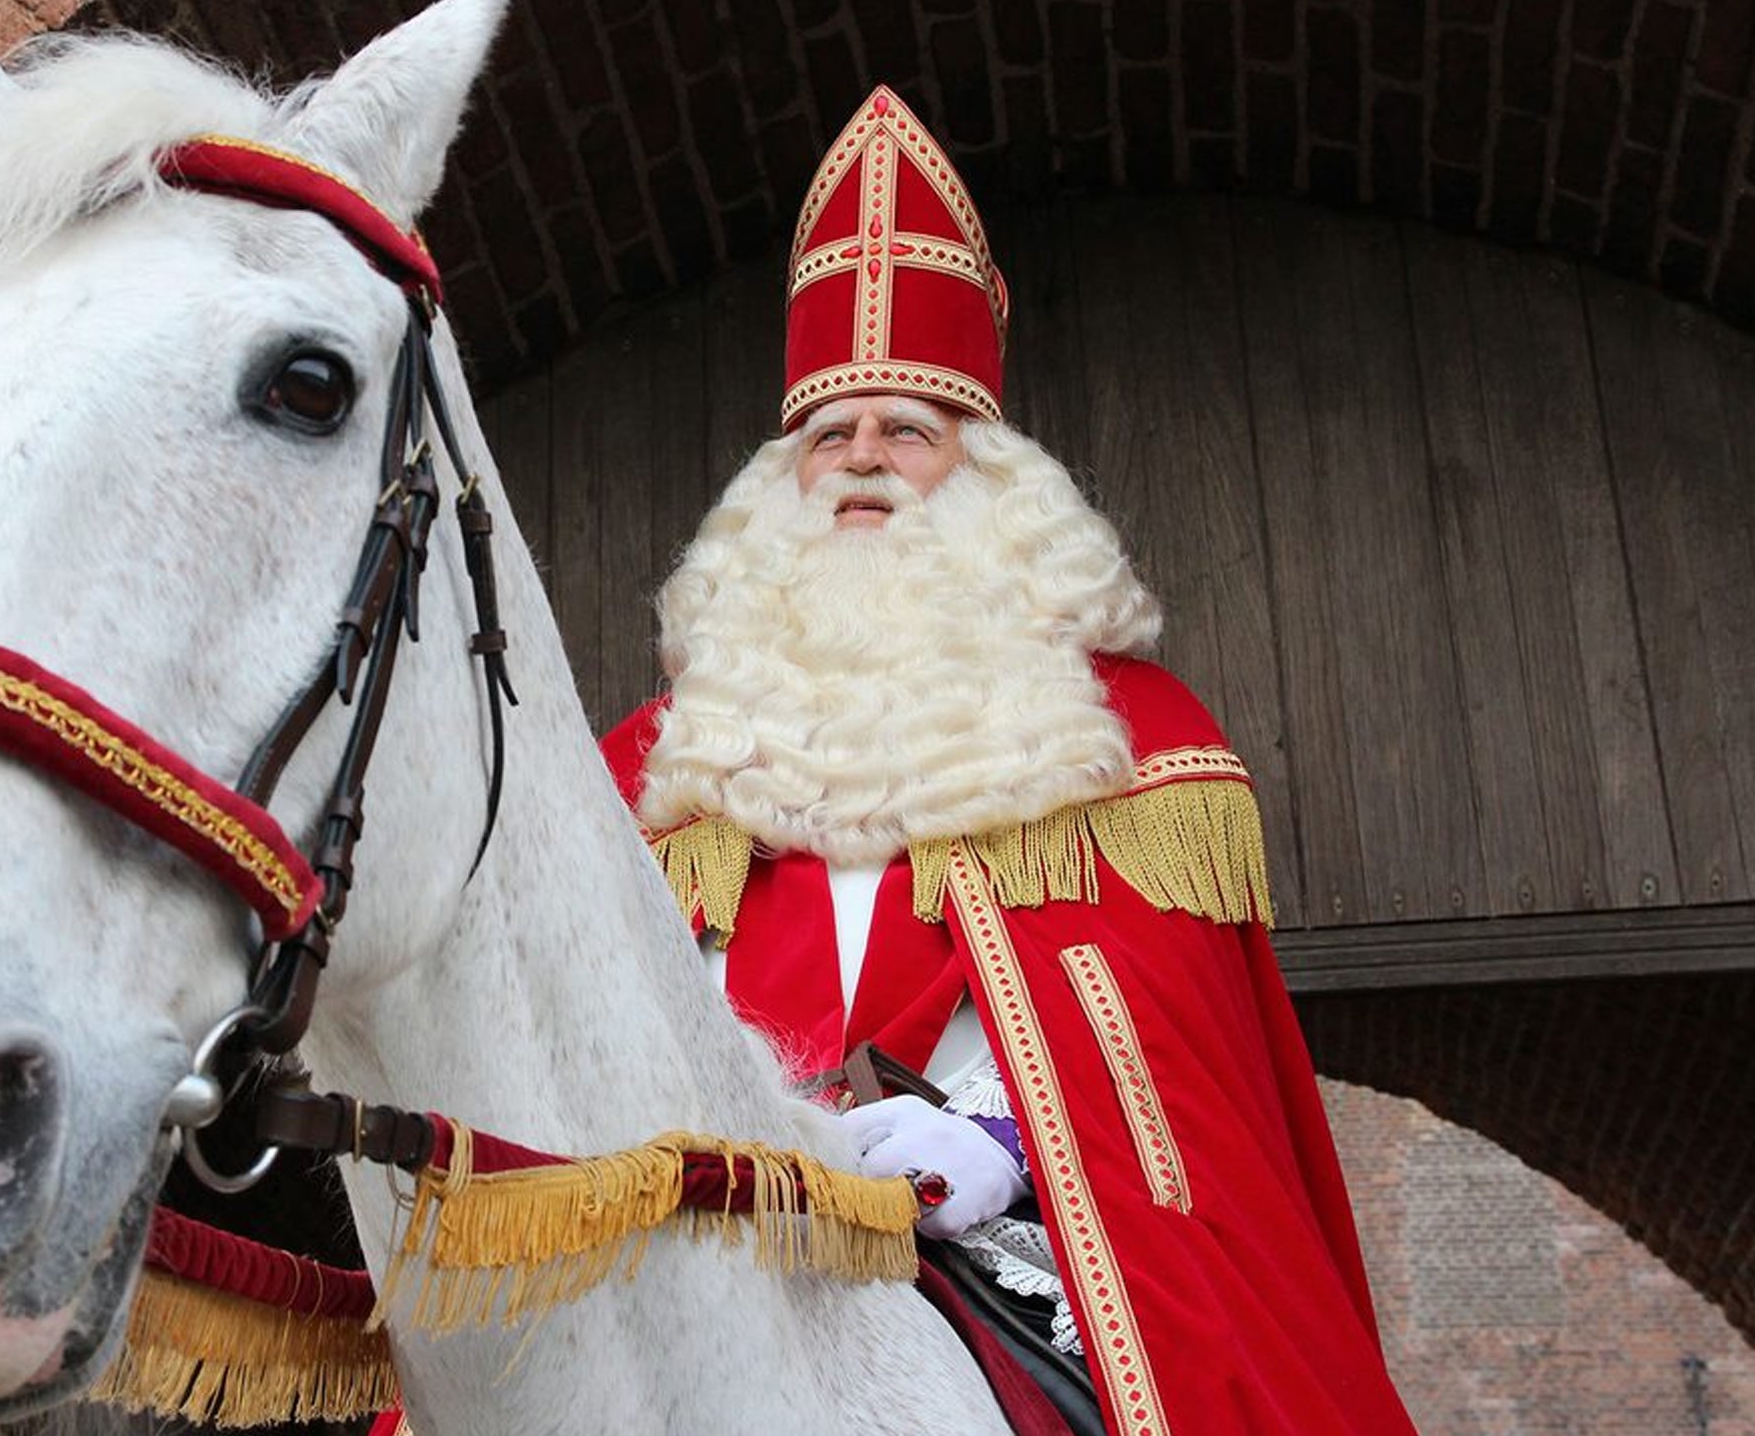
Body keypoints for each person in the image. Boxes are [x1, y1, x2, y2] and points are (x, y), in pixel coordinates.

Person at [600, 88, 1419, 1435]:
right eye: (829, 436)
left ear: (986, 482)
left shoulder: (1127, 734)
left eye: (908, 431)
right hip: (702, 1228)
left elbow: (1165, 1054)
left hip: (1010, 1242)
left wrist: (998, 1140)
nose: (861, 456)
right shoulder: (660, 756)